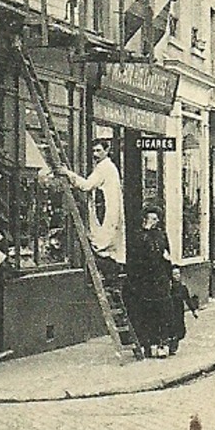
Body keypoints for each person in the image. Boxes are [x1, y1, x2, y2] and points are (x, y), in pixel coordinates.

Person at [59, 140, 125, 285]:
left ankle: (108, 276)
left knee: (100, 243)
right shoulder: (109, 167)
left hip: (105, 214)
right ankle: (110, 277)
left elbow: (87, 185)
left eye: (98, 151)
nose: (95, 154)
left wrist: (67, 173)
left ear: (107, 151)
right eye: (93, 151)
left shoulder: (104, 168)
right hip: (109, 214)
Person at [125, 205, 173, 358]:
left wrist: (170, 271)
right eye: (151, 218)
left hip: (159, 279)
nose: (154, 221)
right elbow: (133, 258)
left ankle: (162, 344)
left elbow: (166, 254)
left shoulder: (161, 235)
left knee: (162, 311)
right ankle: (147, 344)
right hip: (144, 280)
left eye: (156, 218)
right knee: (145, 312)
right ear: (144, 219)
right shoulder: (137, 236)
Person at [163, 265, 199, 355]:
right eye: (174, 274)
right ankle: (171, 346)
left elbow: (187, 299)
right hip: (170, 310)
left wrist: (194, 310)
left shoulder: (182, 287)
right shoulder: (168, 288)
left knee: (180, 330)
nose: (177, 276)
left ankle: (174, 344)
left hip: (179, 310)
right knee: (171, 329)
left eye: (178, 273)